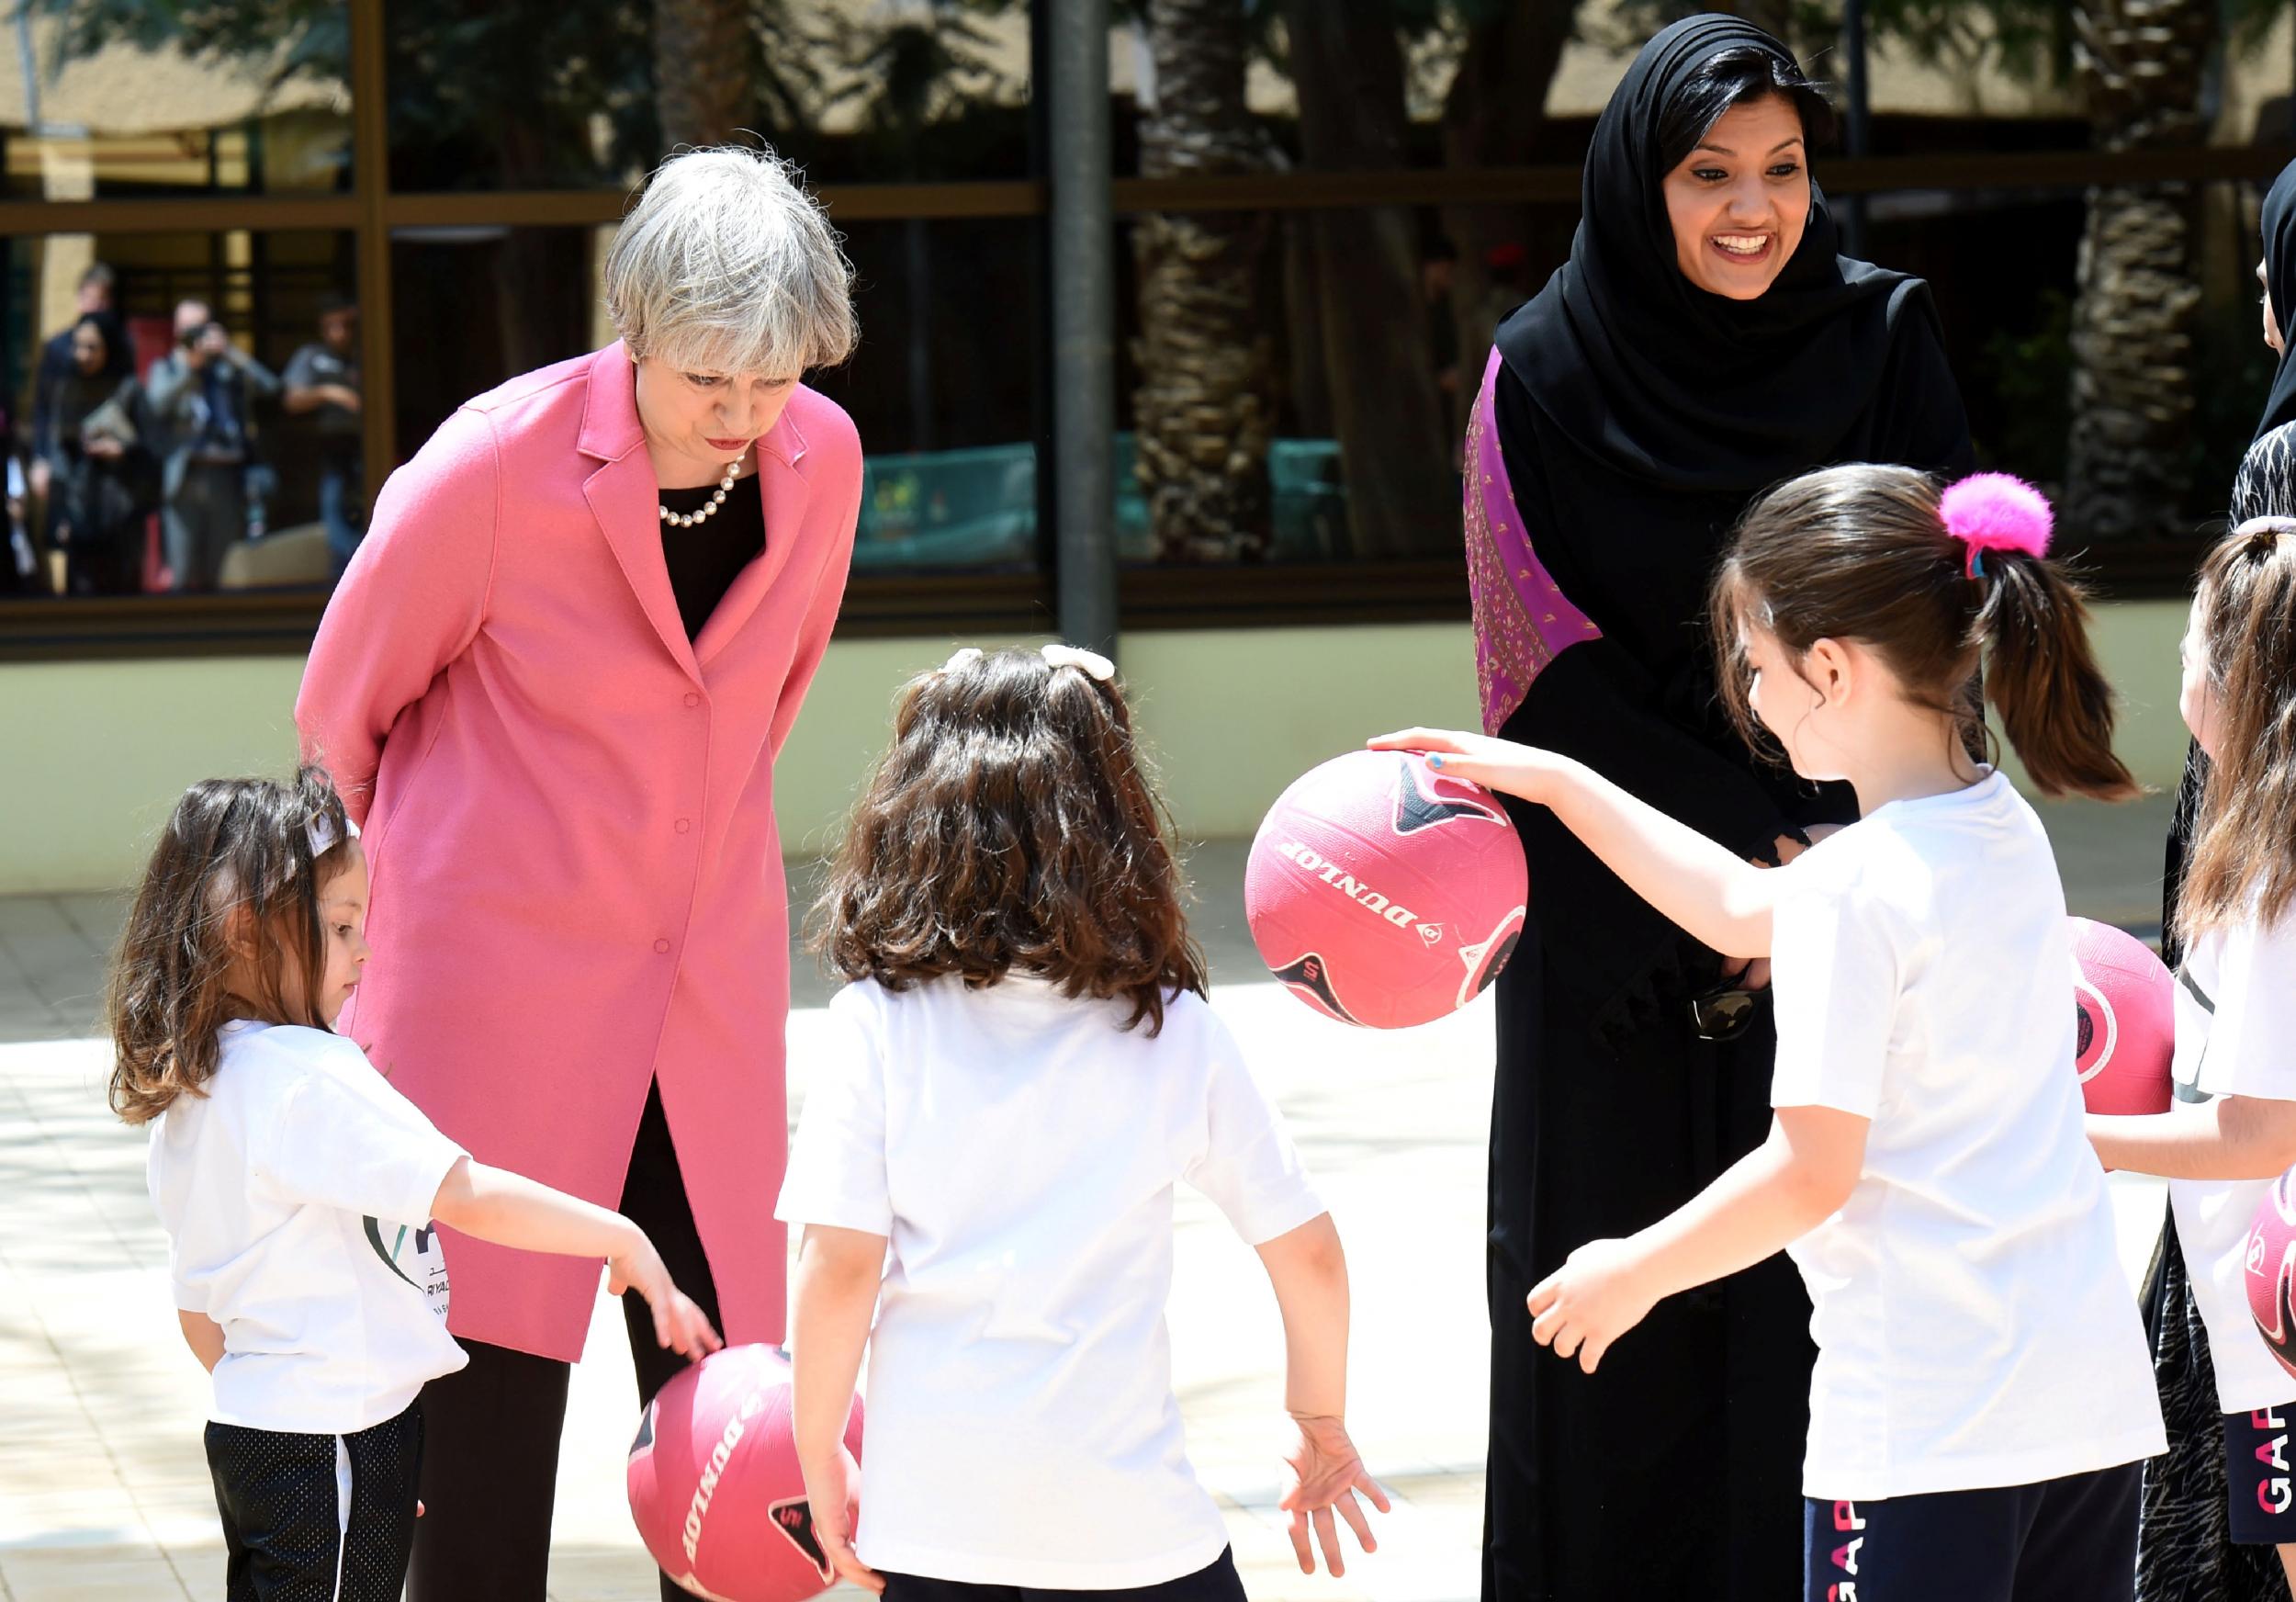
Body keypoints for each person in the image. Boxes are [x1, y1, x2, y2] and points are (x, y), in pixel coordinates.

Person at [1381, 464, 2166, 1599]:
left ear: (1830, 668)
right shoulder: (1996, 829)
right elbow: (1742, 910)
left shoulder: (1858, 889)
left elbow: (1808, 1172)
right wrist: (1556, 780)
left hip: (1925, 1425)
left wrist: (1632, 1270)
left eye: (1754, 663)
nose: (1748, 692)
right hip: (2081, 1408)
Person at [294, 144, 861, 1602]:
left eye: (769, 383)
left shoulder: (826, 455)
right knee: (478, 1456)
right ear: (634, 330)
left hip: (704, 1005)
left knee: (737, 1431)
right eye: (705, 384)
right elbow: (341, 708)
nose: (738, 423)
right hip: (494, 1008)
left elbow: (765, 698)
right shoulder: (496, 459)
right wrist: (442, 889)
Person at [1458, 16, 1974, 1596]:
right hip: (1611, 924)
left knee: (1828, 1342)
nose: (1752, 209)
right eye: (1709, 173)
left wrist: (1831, 848)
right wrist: (1738, 856)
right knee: (1605, 1365)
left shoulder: (1885, 336)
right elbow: (1532, 652)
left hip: (1850, 890)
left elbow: (1949, 601)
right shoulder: (1536, 373)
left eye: (1784, 171)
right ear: (1639, 183)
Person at [780, 644, 1386, 1600]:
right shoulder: (1171, 1029)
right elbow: (1306, 1251)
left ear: (914, 818)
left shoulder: (877, 1023)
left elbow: (841, 1263)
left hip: (935, 1527)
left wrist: (816, 1451)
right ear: (1116, 824)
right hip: (1134, 1531)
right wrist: (1318, 1415)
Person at [108, 766, 720, 1602]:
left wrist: (365, 1453)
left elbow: (198, 1315)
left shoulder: (198, 1093)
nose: (366, 949)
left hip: (269, 1436)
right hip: (331, 1444)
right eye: (341, 925)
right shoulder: (306, 1075)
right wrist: (622, 1236)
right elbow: (464, 1194)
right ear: (248, 933)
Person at [2117, 427, 2296, 1602]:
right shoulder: (2248, 854)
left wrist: (2061, 1135)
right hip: (2259, 1338)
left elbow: (2257, 1132)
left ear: (2233, 675)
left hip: (2280, 1335)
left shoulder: (2278, 881)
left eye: (2188, 636)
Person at [145, 298, 280, 592]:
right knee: (180, 572)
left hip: (226, 477)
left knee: (223, 571)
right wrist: (187, 371)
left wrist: (230, 351)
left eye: (200, 329)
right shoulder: (166, 368)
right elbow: (153, 407)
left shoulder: (227, 369)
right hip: (184, 480)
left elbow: (271, 388)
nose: (194, 337)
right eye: (187, 330)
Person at [32, 314, 155, 595]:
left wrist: (122, 452)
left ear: (109, 348)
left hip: (121, 514)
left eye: (92, 347)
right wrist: (59, 514)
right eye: (78, 346)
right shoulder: (68, 389)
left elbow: (152, 451)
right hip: (80, 514)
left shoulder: (130, 391)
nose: (83, 355)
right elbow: (59, 455)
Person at [282, 293, 365, 577]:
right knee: (336, 519)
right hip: (330, 450)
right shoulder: (313, 356)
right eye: (332, 326)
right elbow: (292, 400)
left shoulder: (363, 356)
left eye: (345, 325)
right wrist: (330, 392)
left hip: (366, 449)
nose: (339, 333)